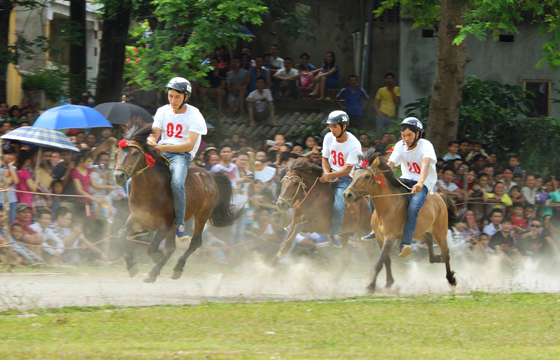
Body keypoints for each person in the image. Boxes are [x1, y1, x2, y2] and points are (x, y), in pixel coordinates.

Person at [147, 77, 208, 240]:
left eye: (177, 97)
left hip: (181, 155)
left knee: (177, 183)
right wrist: (152, 144)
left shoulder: (194, 114)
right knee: (134, 177)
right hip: (161, 152)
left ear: (186, 97)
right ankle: (140, 217)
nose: (173, 100)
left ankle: (180, 224)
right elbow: (154, 135)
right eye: (170, 96)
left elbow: (189, 145)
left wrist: (163, 147)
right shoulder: (162, 111)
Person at [387, 117, 438, 257]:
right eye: (403, 135)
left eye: (409, 134)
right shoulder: (399, 145)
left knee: (413, 207)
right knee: (383, 195)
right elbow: (391, 164)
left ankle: (405, 243)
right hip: (406, 179)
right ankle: (375, 229)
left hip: (424, 182)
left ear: (418, 134)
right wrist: (384, 178)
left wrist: (420, 183)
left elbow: (425, 165)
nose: (406, 138)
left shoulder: (426, 145)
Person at [320, 111, 362, 248]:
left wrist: (330, 176)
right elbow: (325, 158)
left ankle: (335, 232)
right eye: (330, 127)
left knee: (339, 204)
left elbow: (347, 170)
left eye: (334, 127)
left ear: (344, 127)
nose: (332, 130)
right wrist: (327, 173)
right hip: (330, 173)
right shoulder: (328, 137)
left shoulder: (354, 144)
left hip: (345, 179)